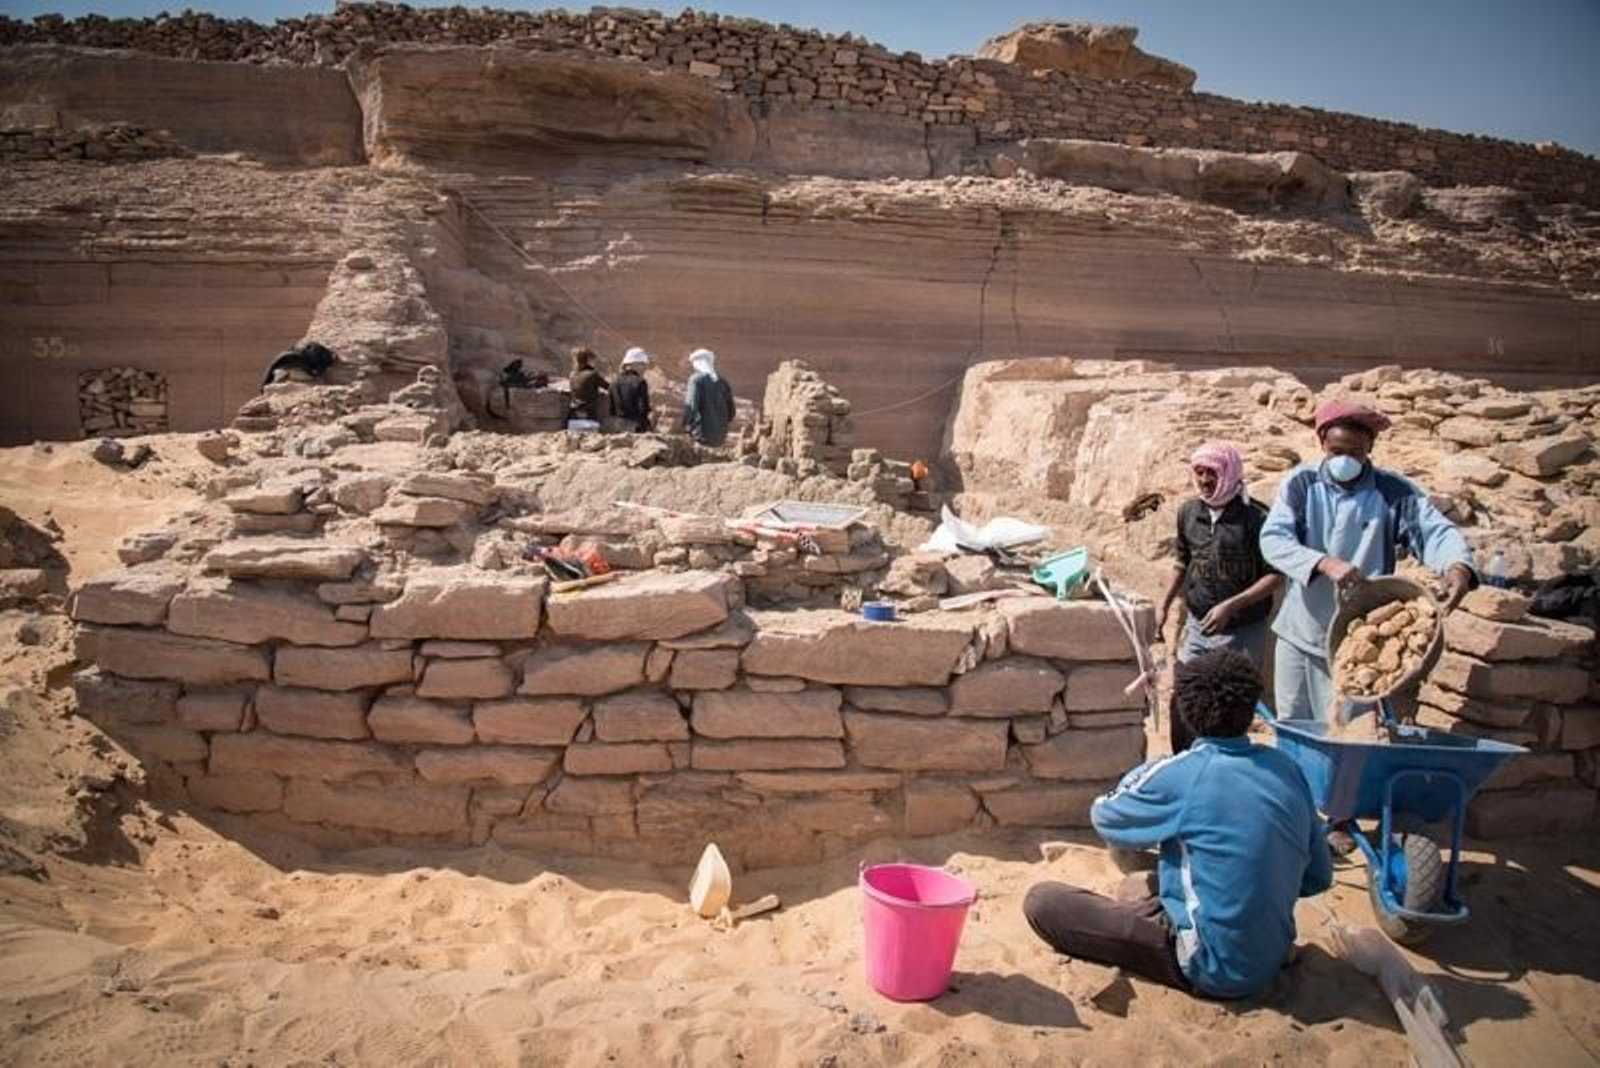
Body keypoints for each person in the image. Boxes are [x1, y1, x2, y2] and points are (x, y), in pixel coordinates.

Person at [1023, 650, 1332, 999]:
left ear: (1185, 712)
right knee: (1151, 883)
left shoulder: (1185, 773)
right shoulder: (1287, 768)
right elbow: (1318, 877)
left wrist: (1153, 769)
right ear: (1250, 710)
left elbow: (1105, 815)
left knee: (1043, 902)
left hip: (1210, 966)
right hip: (1272, 953)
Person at [1259, 399, 1475, 724]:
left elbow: (1434, 531)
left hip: (1358, 639)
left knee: (1345, 730)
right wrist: (1323, 563)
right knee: (1292, 723)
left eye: (1355, 452)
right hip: (1300, 629)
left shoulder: (1392, 492)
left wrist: (1457, 566)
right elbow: (1274, 539)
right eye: (1336, 451)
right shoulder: (1301, 483)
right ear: (1322, 443)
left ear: (1370, 447)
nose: (1345, 460)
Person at [1158, 442, 1281, 751]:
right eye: (1199, 472)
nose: (1204, 480)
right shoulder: (1189, 512)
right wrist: (1164, 605)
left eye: (1211, 473)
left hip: (1242, 630)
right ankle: (1183, 759)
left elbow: (1275, 576)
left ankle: (1221, 765)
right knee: (1184, 694)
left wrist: (1231, 605)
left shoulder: (1256, 518)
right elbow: (1182, 562)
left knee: (1230, 704)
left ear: (1229, 473)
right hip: (1198, 625)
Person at [682, 347, 735, 447]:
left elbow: (691, 408)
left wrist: (685, 427)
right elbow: (731, 413)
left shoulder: (695, 380)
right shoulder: (723, 382)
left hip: (702, 436)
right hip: (721, 438)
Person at [610, 347, 653, 432]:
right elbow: (643, 408)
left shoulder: (614, 382)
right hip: (636, 427)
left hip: (618, 427)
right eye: (642, 364)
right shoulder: (640, 382)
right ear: (633, 364)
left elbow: (612, 409)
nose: (645, 368)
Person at [567, 347, 609, 425]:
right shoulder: (592, 374)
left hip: (573, 414)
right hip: (589, 414)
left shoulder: (572, 375)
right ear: (588, 360)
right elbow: (609, 387)